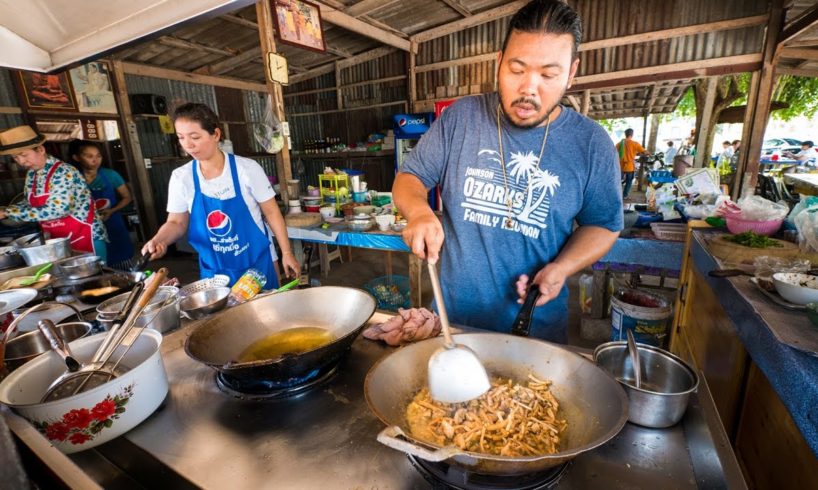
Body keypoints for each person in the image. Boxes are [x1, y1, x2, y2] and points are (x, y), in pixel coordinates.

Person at [392, 0, 622, 343]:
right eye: (517, 70)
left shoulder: (591, 144)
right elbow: (409, 177)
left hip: (535, 333)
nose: (529, 88)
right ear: (498, 62)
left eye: (548, 75)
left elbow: (603, 224)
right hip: (452, 325)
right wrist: (419, 212)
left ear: (571, 72)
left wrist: (561, 268)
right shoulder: (461, 118)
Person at [141, 103, 299, 288]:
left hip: (257, 264)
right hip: (215, 271)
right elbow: (176, 222)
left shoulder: (247, 169)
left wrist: (286, 253)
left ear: (215, 134)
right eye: (181, 137)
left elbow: (272, 212)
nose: (188, 145)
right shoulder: (181, 177)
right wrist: (159, 240)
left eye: (195, 137)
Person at [0, 125, 108, 260]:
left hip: (85, 236)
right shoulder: (32, 174)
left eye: (24, 155)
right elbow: (29, 202)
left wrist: (8, 213)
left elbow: (58, 210)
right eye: (15, 158)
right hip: (58, 240)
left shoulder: (63, 172)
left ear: (40, 150)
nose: (21, 161)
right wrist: (6, 210)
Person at [70, 140, 135, 268]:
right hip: (87, 228)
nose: (95, 160)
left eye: (98, 156)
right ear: (76, 157)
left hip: (113, 223)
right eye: (89, 156)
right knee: (96, 264)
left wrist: (112, 210)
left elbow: (127, 197)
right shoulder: (72, 178)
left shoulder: (111, 175)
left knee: (122, 261)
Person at [616, 128, 646, 199]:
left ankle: (616, 195)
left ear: (625, 134)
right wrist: (648, 153)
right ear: (632, 135)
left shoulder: (620, 143)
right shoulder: (635, 144)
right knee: (629, 182)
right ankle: (625, 195)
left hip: (620, 166)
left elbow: (614, 151)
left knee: (617, 181)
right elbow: (644, 152)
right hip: (629, 167)